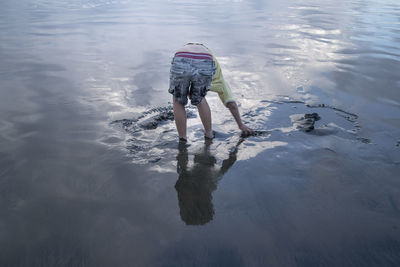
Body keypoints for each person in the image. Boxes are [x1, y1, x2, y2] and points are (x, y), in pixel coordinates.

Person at [168, 42, 253, 142]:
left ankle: (182, 139)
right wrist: (240, 125)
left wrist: (183, 91)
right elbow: (231, 104)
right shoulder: (218, 76)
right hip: (205, 60)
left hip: (181, 56)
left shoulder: (186, 48)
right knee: (200, 98)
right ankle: (209, 134)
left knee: (178, 101)